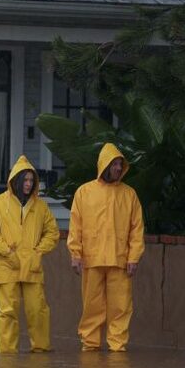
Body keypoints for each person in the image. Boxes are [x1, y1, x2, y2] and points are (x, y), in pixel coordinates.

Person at [67, 143, 144, 352]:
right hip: (92, 258)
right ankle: (90, 344)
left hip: (120, 259)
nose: (119, 168)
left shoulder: (129, 195)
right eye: (115, 164)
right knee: (92, 305)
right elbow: (76, 226)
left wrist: (134, 257)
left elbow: (137, 229)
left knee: (120, 306)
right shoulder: (84, 192)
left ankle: (117, 346)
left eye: (121, 164)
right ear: (104, 165)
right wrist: (76, 254)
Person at [0, 155, 60, 353]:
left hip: (32, 267)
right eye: (25, 180)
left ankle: (41, 351)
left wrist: (38, 251)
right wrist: (7, 251)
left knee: (38, 311)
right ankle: (7, 355)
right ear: (15, 180)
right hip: (7, 267)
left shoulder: (41, 207)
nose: (29, 184)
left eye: (31, 180)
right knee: (7, 313)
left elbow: (53, 233)